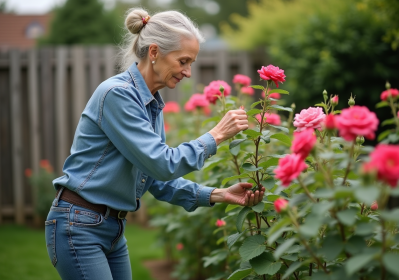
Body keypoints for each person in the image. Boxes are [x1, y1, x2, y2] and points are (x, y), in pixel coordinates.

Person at [45, 8, 265, 280]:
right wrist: (216, 135)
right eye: (183, 61)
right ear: (154, 52)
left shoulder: (150, 104)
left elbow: (154, 178)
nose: (187, 72)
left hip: (112, 228)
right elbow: (163, 164)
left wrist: (218, 194)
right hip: (79, 225)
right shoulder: (117, 95)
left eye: (191, 63)